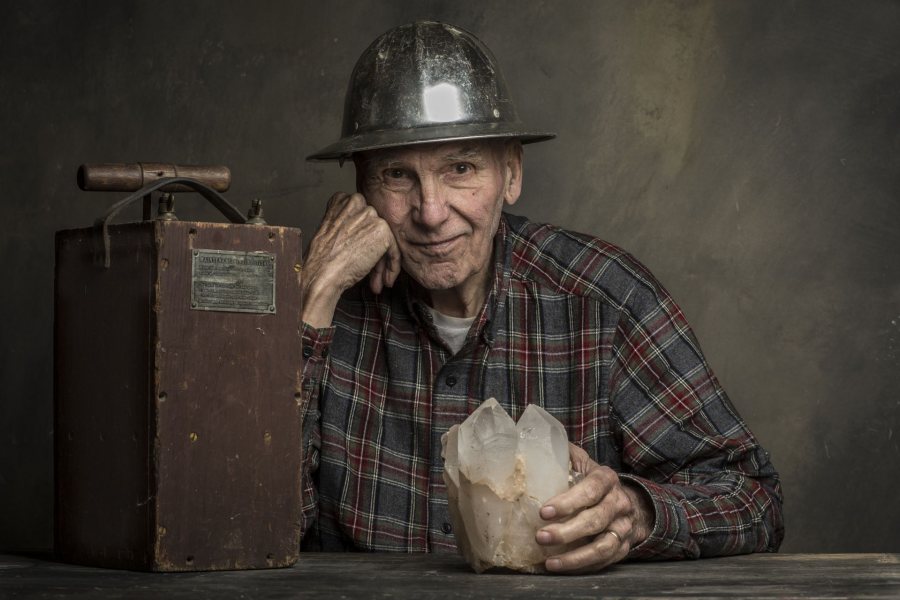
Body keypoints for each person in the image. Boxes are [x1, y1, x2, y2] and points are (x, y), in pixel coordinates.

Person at [298, 21, 784, 573]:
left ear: (512, 173)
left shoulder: (603, 299)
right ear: (361, 189)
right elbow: (241, 518)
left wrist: (637, 514)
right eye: (396, 175)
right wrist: (312, 300)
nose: (430, 212)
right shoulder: (323, 303)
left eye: (460, 169)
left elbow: (753, 499)